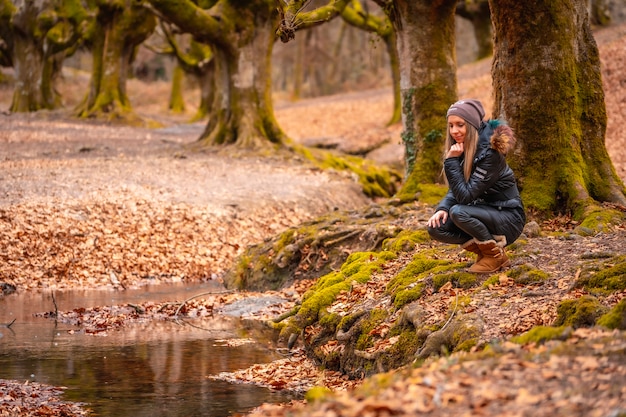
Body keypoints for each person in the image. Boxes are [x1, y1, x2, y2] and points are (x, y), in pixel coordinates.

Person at [427, 99, 526, 273]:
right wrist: (442, 208)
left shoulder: (490, 154)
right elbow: (457, 189)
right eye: (451, 126)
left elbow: (465, 196)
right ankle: (487, 253)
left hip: (508, 217)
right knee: (436, 227)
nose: (454, 131)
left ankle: (494, 257)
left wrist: (451, 162)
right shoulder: (464, 148)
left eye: (460, 125)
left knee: (459, 212)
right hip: (481, 213)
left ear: (472, 125)